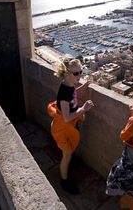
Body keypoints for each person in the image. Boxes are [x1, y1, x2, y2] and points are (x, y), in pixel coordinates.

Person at [47, 56, 94, 194]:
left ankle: (68, 166)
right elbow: (67, 117)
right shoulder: (64, 91)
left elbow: (73, 95)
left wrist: (84, 86)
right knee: (66, 156)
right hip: (63, 128)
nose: (80, 75)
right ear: (67, 73)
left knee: (69, 152)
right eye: (76, 73)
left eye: (81, 72)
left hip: (69, 126)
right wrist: (83, 109)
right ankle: (64, 180)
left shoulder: (68, 84)